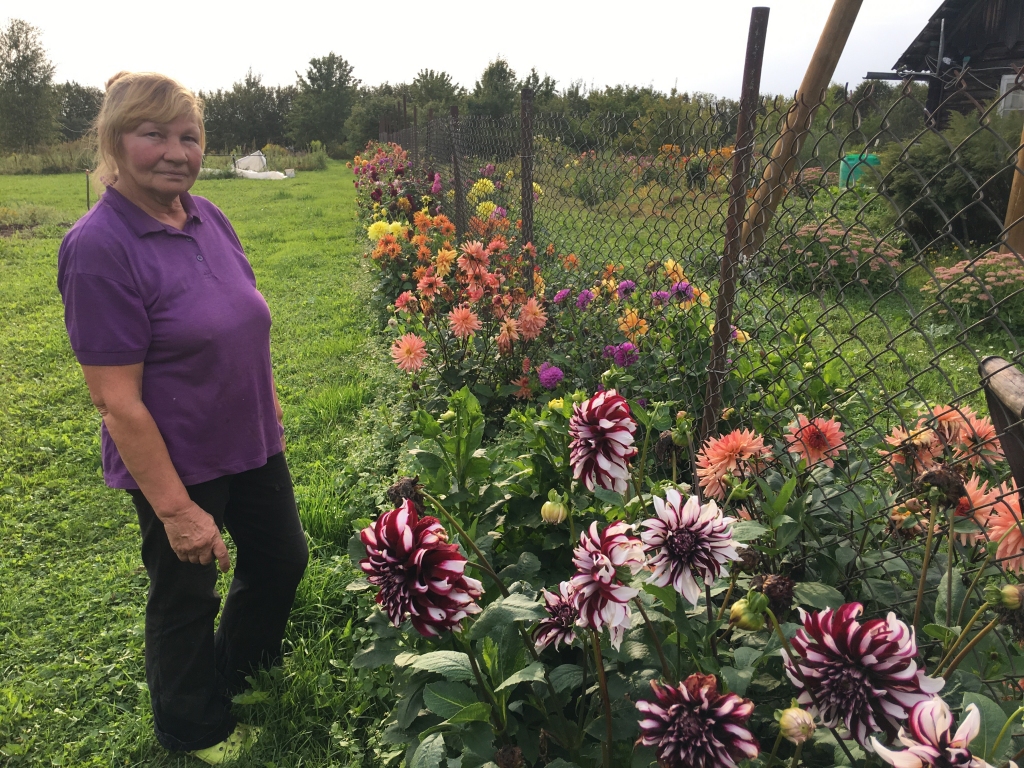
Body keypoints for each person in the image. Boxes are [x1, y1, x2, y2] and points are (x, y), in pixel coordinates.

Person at [56, 71, 308, 765]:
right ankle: (191, 727)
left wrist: (268, 403)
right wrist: (175, 510)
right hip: (179, 456)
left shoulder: (207, 216)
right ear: (114, 141)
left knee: (281, 558)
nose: (176, 152)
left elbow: (241, 322)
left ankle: (240, 673)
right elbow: (115, 399)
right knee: (185, 595)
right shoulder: (99, 247)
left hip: (251, 438)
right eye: (154, 135)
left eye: (189, 137)